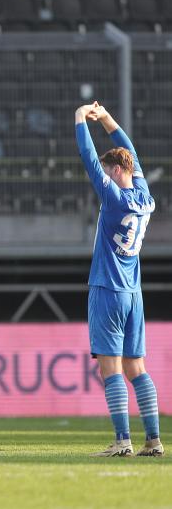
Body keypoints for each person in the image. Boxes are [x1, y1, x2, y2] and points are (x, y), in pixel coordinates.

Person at [76, 102, 162, 457]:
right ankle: (154, 440)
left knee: (109, 368)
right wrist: (107, 118)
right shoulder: (145, 198)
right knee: (136, 367)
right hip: (133, 293)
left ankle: (123, 440)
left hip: (108, 289)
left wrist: (81, 118)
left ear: (114, 170)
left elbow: (88, 158)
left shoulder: (113, 198)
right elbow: (133, 155)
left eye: (109, 170)